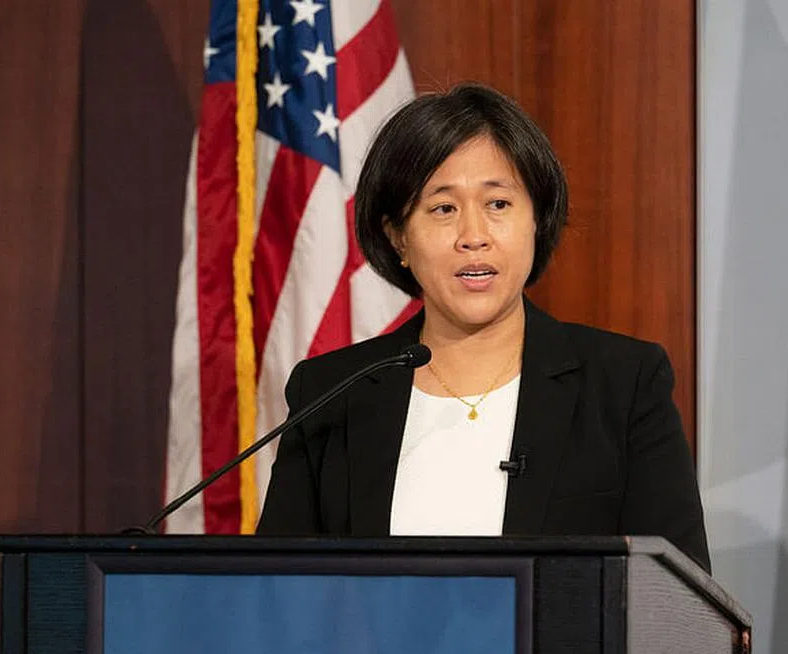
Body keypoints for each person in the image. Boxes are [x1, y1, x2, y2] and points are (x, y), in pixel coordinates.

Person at [255, 83, 710, 572]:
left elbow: (675, 597)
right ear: (398, 238)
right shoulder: (331, 394)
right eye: (443, 209)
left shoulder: (623, 385)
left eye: (498, 204)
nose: (473, 237)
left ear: (537, 219)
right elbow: (277, 591)